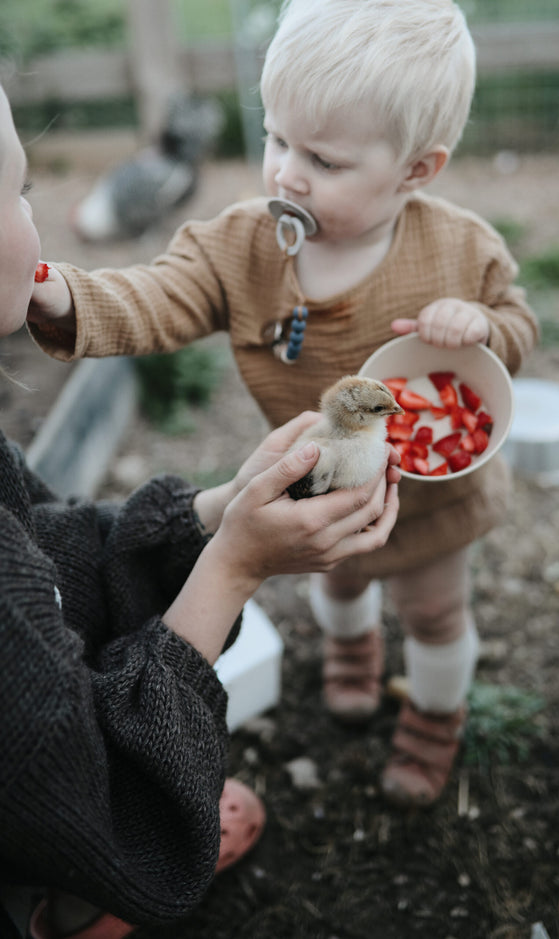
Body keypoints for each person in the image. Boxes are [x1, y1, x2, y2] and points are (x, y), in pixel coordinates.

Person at [27, 0, 538, 808]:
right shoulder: (242, 244)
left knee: (437, 612)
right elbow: (160, 293)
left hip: (435, 498)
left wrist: (480, 325)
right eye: (276, 139)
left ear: (416, 170)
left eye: (325, 161)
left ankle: (437, 714)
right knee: (334, 584)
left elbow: (516, 326)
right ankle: (350, 654)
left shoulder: (460, 247)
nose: (287, 173)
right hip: (320, 490)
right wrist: (64, 298)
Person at [0, 84, 399, 939]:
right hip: (84, 820)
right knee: (119, 840)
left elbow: (43, 551)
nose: (287, 169)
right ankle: (74, 903)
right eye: (20, 191)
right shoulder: (249, 240)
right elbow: (91, 800)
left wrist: (211, 513)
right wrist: (235, 565)